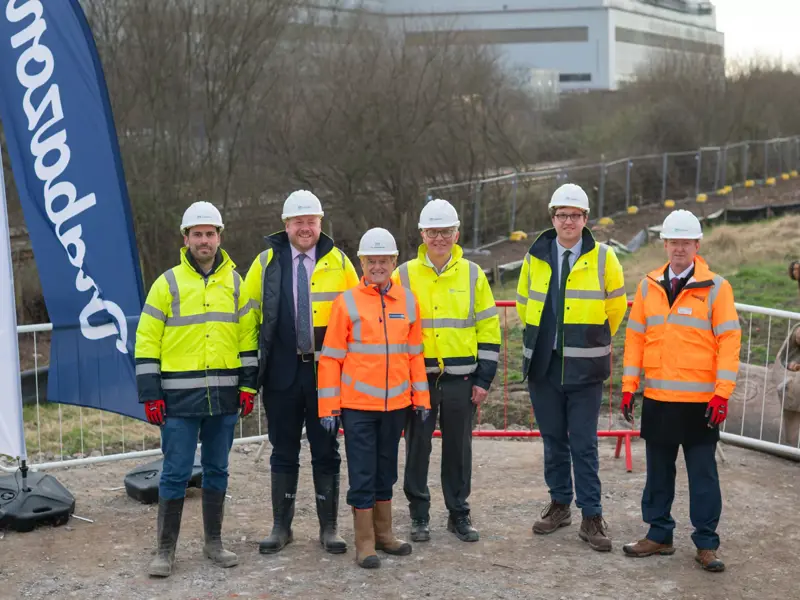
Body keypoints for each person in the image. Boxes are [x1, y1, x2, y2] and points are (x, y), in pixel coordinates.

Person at [135, 201, 257, 578]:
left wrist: (249, 386)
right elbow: (146, 341)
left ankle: (214, 543)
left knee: (217, 470)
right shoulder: (167, 283)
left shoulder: (238, 284)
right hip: (177, 400)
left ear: (219, 236)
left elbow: (247, 339)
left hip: (223, 398)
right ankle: (165, 550)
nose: (204, 240)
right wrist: (150, 393)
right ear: (185, 238)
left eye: (210, 233)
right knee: (174, 472)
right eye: (197, 234)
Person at [239, 190, 359, 555]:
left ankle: (329, 528)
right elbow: (248, 319)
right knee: (283, 449)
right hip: (281, 374)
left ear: (320, 223)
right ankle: (281, 527)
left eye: (311, 221)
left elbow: (358, 318)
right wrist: (248, 377)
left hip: (326, 376)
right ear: (285, 225)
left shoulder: (340, 263)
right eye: (298, 222)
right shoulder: (265, 264)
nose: (305, 228)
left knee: (327, 450)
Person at [620, 209, 740, 573]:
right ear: (665, 244)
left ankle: (706, 543)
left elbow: (730, 340)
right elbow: (635, 338)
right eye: (673, 242)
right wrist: (629, 386)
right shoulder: (647, 286)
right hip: (658, 399)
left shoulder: (716, 288)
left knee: (703, 475)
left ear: (697, 245)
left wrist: (722, 393)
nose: (679, 249)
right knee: (658, 472)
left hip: (701, 403)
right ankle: (659, 534)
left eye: (686, 242)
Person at [515, 183, 627, 552]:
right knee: (553, 440)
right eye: (562, 215)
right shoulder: (536, 255)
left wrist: (591, 342)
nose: (568, 221)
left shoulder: (604, 257)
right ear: (553, 218)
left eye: (575, 215)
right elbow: (522, 301)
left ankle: (591, 515)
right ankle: (560, 504)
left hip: (584, 368)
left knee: (583, 443)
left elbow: (616, 307)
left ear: (585, 219)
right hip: (544, 365)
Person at [318, 227, 431, 568]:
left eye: (384, 260)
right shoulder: (347, 302)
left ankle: (385, 535)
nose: (377, 266)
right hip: (357, 408)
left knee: (386, 473)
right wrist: (329, 407)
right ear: (362, 262)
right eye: (371, 261)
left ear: (394, 262)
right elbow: (331, 358)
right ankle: (364, 542)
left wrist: (421, 399)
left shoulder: (408, 302)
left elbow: (414, 355)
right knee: (363, 472)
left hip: (395, 406)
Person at [394, 199, 500, 543]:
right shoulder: (404, 274)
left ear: (457, 233)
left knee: (459, 448)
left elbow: (488, 327)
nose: (439, 238)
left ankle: (459, 513)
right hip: (419, 378)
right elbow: (392, 328)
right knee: (418, 447)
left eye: (445, 231)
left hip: (461, 378)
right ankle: (419, 514)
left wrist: (484, 378)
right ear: (422, 234)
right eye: (432, 231)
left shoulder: (472, 274)